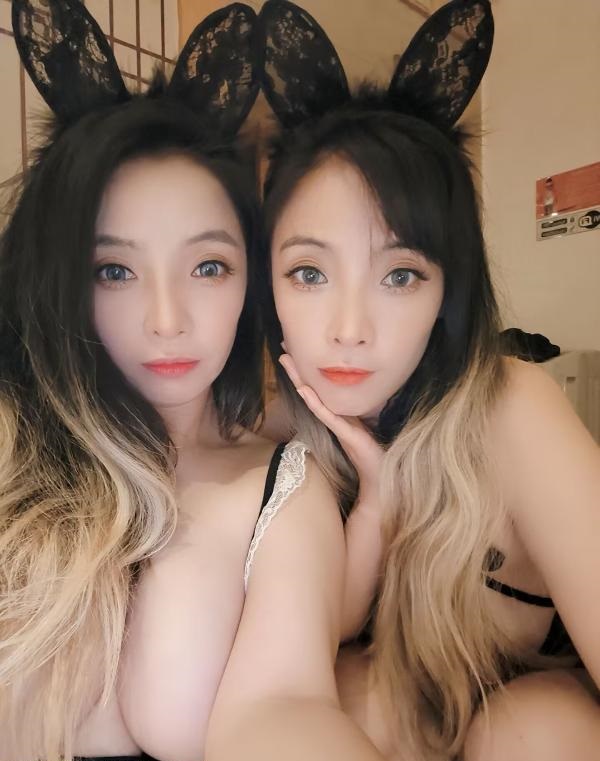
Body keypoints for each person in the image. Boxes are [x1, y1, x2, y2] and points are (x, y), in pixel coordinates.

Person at [3, 4, 390, 761]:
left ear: (252, 281)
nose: (167, 320)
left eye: (208, 265)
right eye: (113, 271)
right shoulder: (16, 445)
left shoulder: (280, 485)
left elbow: (287, 705)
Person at [257, 1, 600, 759]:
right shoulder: (281, 433)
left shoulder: (511, 408)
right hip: (406, 711)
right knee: (346, 694)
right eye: (309, 272)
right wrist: (375, 502)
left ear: (449, 290)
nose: (349, 328)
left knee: (541, 729)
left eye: (400, 275)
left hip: (536, 714)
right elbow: (301, 652)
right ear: (267, 286)